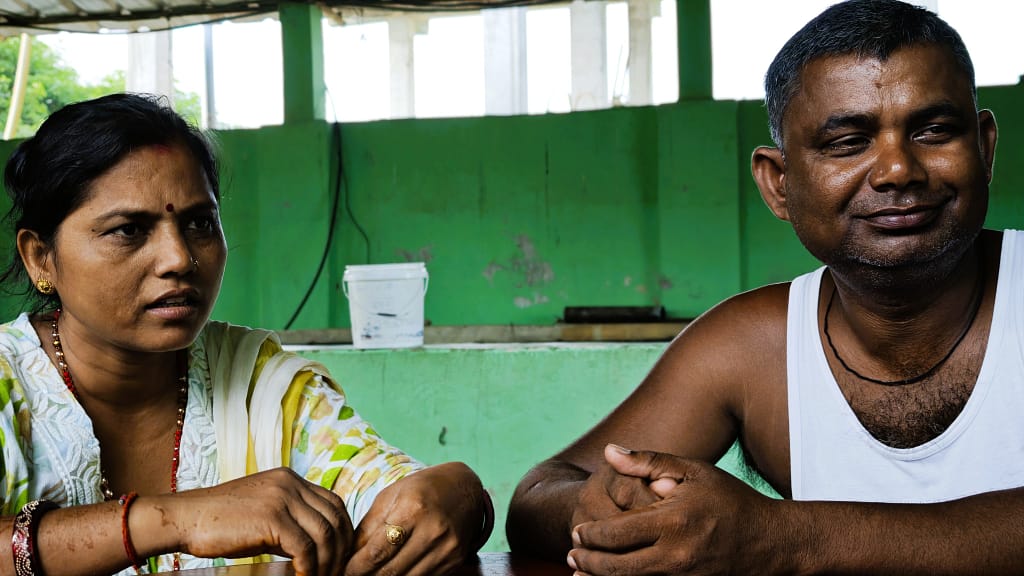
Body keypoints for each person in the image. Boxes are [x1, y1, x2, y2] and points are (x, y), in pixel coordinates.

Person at [506, 0, 1024, 573]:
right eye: (848, 142)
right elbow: (538, 497)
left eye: (933, 131)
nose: (898, 169)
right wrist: (607, 503)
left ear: (985, 148)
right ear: (779, 185)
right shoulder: (754, 345)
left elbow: (775, 541)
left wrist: (781, 538)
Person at [0, 92, 493, 576]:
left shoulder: (265, 387)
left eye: (199, 223)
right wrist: (175, 517)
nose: (179, 259)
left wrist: (461, 495)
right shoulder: (7, 387)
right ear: (41, 258)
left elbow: (388, 489)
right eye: (128, 230)